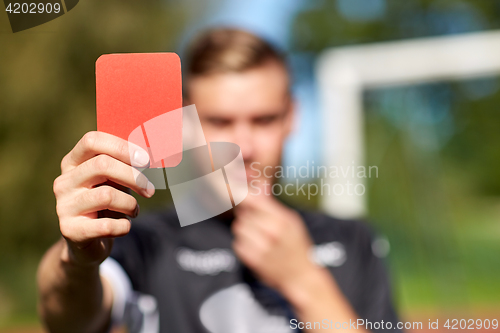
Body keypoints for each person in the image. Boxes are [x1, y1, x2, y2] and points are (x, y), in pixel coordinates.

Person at [37, 28, 400, 333]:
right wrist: (77, 260)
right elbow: (68, 320)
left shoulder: (352, 240)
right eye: (221, 122)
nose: (243, 146)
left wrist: (305, 281)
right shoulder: (146, 241)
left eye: (264, 120)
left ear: (293, 116)